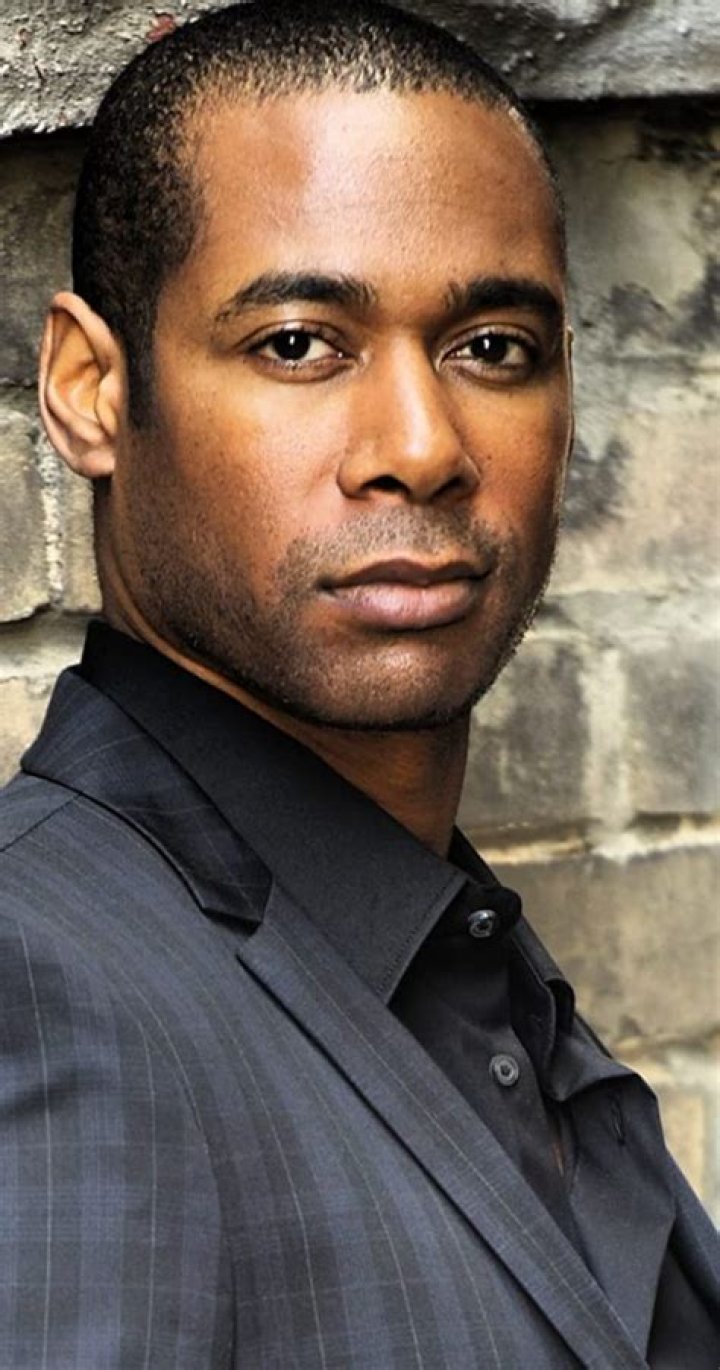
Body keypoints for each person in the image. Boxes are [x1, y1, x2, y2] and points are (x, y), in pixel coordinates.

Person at [1, 1, 717, 1364]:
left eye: (492, 346)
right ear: (92, 388)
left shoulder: (452, 949)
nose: (421, 446)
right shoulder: (36, 990)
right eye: (298, 343)